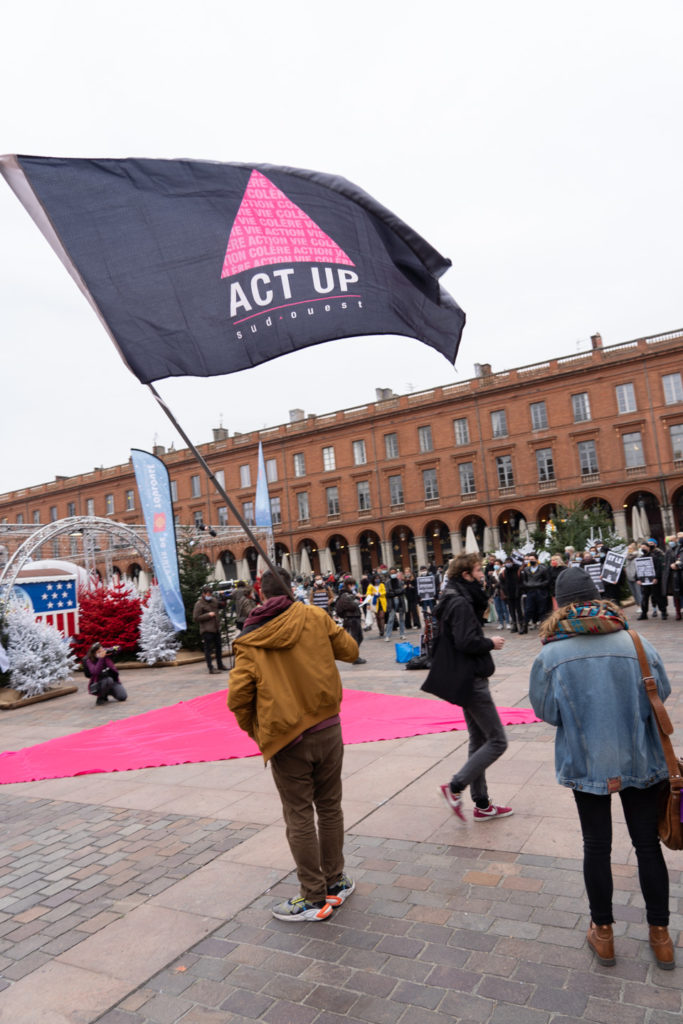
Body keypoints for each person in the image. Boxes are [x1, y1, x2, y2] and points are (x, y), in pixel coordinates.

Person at [529, 567, 675, 970]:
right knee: (646, 846)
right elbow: (659, 692)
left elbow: (548, 712)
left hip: (587, 759)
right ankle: (660, 936)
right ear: (598, 597)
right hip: (640, 758)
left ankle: (605, 934)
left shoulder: (550, 653)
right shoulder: (636, 641)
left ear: (558, 605)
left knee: (597, 846)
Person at [228, 568, 359, 921]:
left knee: (299, 814)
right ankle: (335, 882)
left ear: (261, 595)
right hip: (328, 727)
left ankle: (315, 898)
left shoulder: (250, 638)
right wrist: (322, 623)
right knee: (330, 807)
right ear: (291, 590)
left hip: (288, 738)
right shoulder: (314, 616)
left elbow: (238, 697)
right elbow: (350, 649)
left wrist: (259, 730)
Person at [436, 554, 511, 822]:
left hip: (466, 677)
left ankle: (481, 804)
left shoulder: (457, 596)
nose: (483, 574)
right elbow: (466, 641)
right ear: (466, 574)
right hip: (471, 679)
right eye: (479, 570)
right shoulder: (460, 602)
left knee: (479, 739)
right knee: (498, 741)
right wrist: (490, 642)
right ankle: (455, 787)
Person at [192, 585, 228, 674]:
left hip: (216, 628)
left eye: (210, 594)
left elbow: (221, 605)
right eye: (208, 594)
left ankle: (220, 664)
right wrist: (208, 615)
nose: (209, 596)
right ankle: (210, 668)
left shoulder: (214, 600)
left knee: (218, 647)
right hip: (207, 630)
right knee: (208, 649)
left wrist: (224, 598)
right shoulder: (199, 604)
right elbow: (196, 618)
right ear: (203, 594)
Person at [335, 578, 366, 664]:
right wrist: (357, 601)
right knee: (355, 638)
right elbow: (350, 606)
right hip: (351, 618)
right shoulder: (345, 595)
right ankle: (354, 657)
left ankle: (354, 655)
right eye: (353, 585)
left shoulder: (350, 594)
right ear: (349, 585)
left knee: (359, 637)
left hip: (354, 617)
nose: (354, 587)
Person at [520, 553, 551, 632]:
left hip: (540, 591)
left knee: (542, 609)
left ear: (537, 559)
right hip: (530, 591)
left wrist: (540, 584)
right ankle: (524, 626)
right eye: (530, 560)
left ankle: (544, 627)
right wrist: (527, 585)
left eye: (533, 560)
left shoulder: (543, 569)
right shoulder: (526, 569)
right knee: (528, 609)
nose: (531, 561)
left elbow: (547, 580)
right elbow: (524, 580)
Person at [383, 570, 406, 641]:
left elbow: (403, 591)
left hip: (400, 602)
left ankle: (402, 634)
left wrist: (394, 592)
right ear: (390, 574)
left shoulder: (400, 582)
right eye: (391, 573)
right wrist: (397, 592)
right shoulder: (387, 583)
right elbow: (387, 594)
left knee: (402, 619)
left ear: (396, 573)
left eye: (394, 573)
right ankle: (387, 635)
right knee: (391, 619)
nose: (393, 574)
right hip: (391, 603)